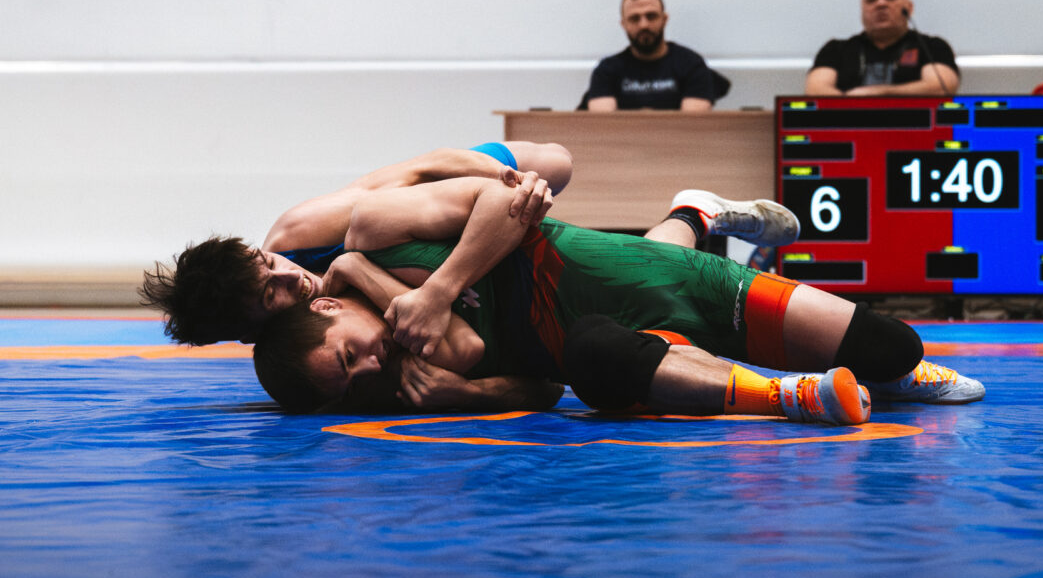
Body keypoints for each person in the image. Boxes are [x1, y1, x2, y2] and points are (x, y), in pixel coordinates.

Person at [251, 176, 986, 423]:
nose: (367, 366)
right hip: (627, 347)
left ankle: (695, 215)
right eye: (350, 383)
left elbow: (511, 196)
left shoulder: (373, 235)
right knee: (592, 353)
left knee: (895, 349)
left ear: (325, 308)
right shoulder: (401, 371)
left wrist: (429, 285)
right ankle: (787, 394)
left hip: (652, 277)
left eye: (347, 356)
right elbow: (529, 383)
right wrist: (460, 396)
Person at [138, 134, 792, 347]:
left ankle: (692, 214)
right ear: (248, 331)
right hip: (427, 271)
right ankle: (695, 213)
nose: (290, 275)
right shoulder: (291, 349)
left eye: (269, 264)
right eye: (271, 295)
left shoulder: (298, 235)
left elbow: (421, 169)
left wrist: (504, 180)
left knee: (557, 162)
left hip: (441, 199)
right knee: (632, 289)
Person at [804, 0, 960, 97]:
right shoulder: (836, 50)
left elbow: (942, 87)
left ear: (909, 8)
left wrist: (877, 94)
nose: (881, 3)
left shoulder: (931, 47)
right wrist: (854, 107)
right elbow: (815, 90)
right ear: (862, 10)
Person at [582, 0, 725, 111]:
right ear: (624, 24)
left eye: (651, 16)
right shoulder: (607, 70)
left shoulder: (691, 64)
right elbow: (604, 123)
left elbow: (693, 124)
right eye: (634, 18)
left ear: (664, 19)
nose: (644, 25)